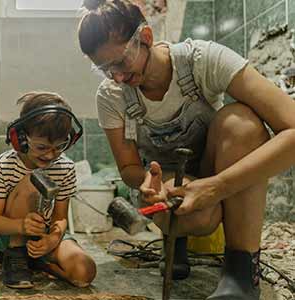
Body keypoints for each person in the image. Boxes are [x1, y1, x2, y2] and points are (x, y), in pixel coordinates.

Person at [77, 0, 295, 299]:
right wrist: (147, 183)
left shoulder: (203, 60)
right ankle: (174, 239)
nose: (116, 77)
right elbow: (128, 168)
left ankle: (242, 272)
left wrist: (217, 187)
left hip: (212, 169)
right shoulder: (113, 95)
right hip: (166, 183)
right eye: (104, 69)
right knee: (198, 217)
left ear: (146, 38)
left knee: (241, 124)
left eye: (121, 63)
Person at [0, 91, 97, 289]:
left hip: (44, 233)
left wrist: (52, 240)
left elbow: (60, 217)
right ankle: (16, 255)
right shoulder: (4, 165)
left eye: (59, 147)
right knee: (33, 180)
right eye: (41, 147)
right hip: (10, 233)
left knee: (84, 272)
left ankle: (37, 262)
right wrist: (21, 226)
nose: (50, 155)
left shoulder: (65, 168)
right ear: (20, 138)